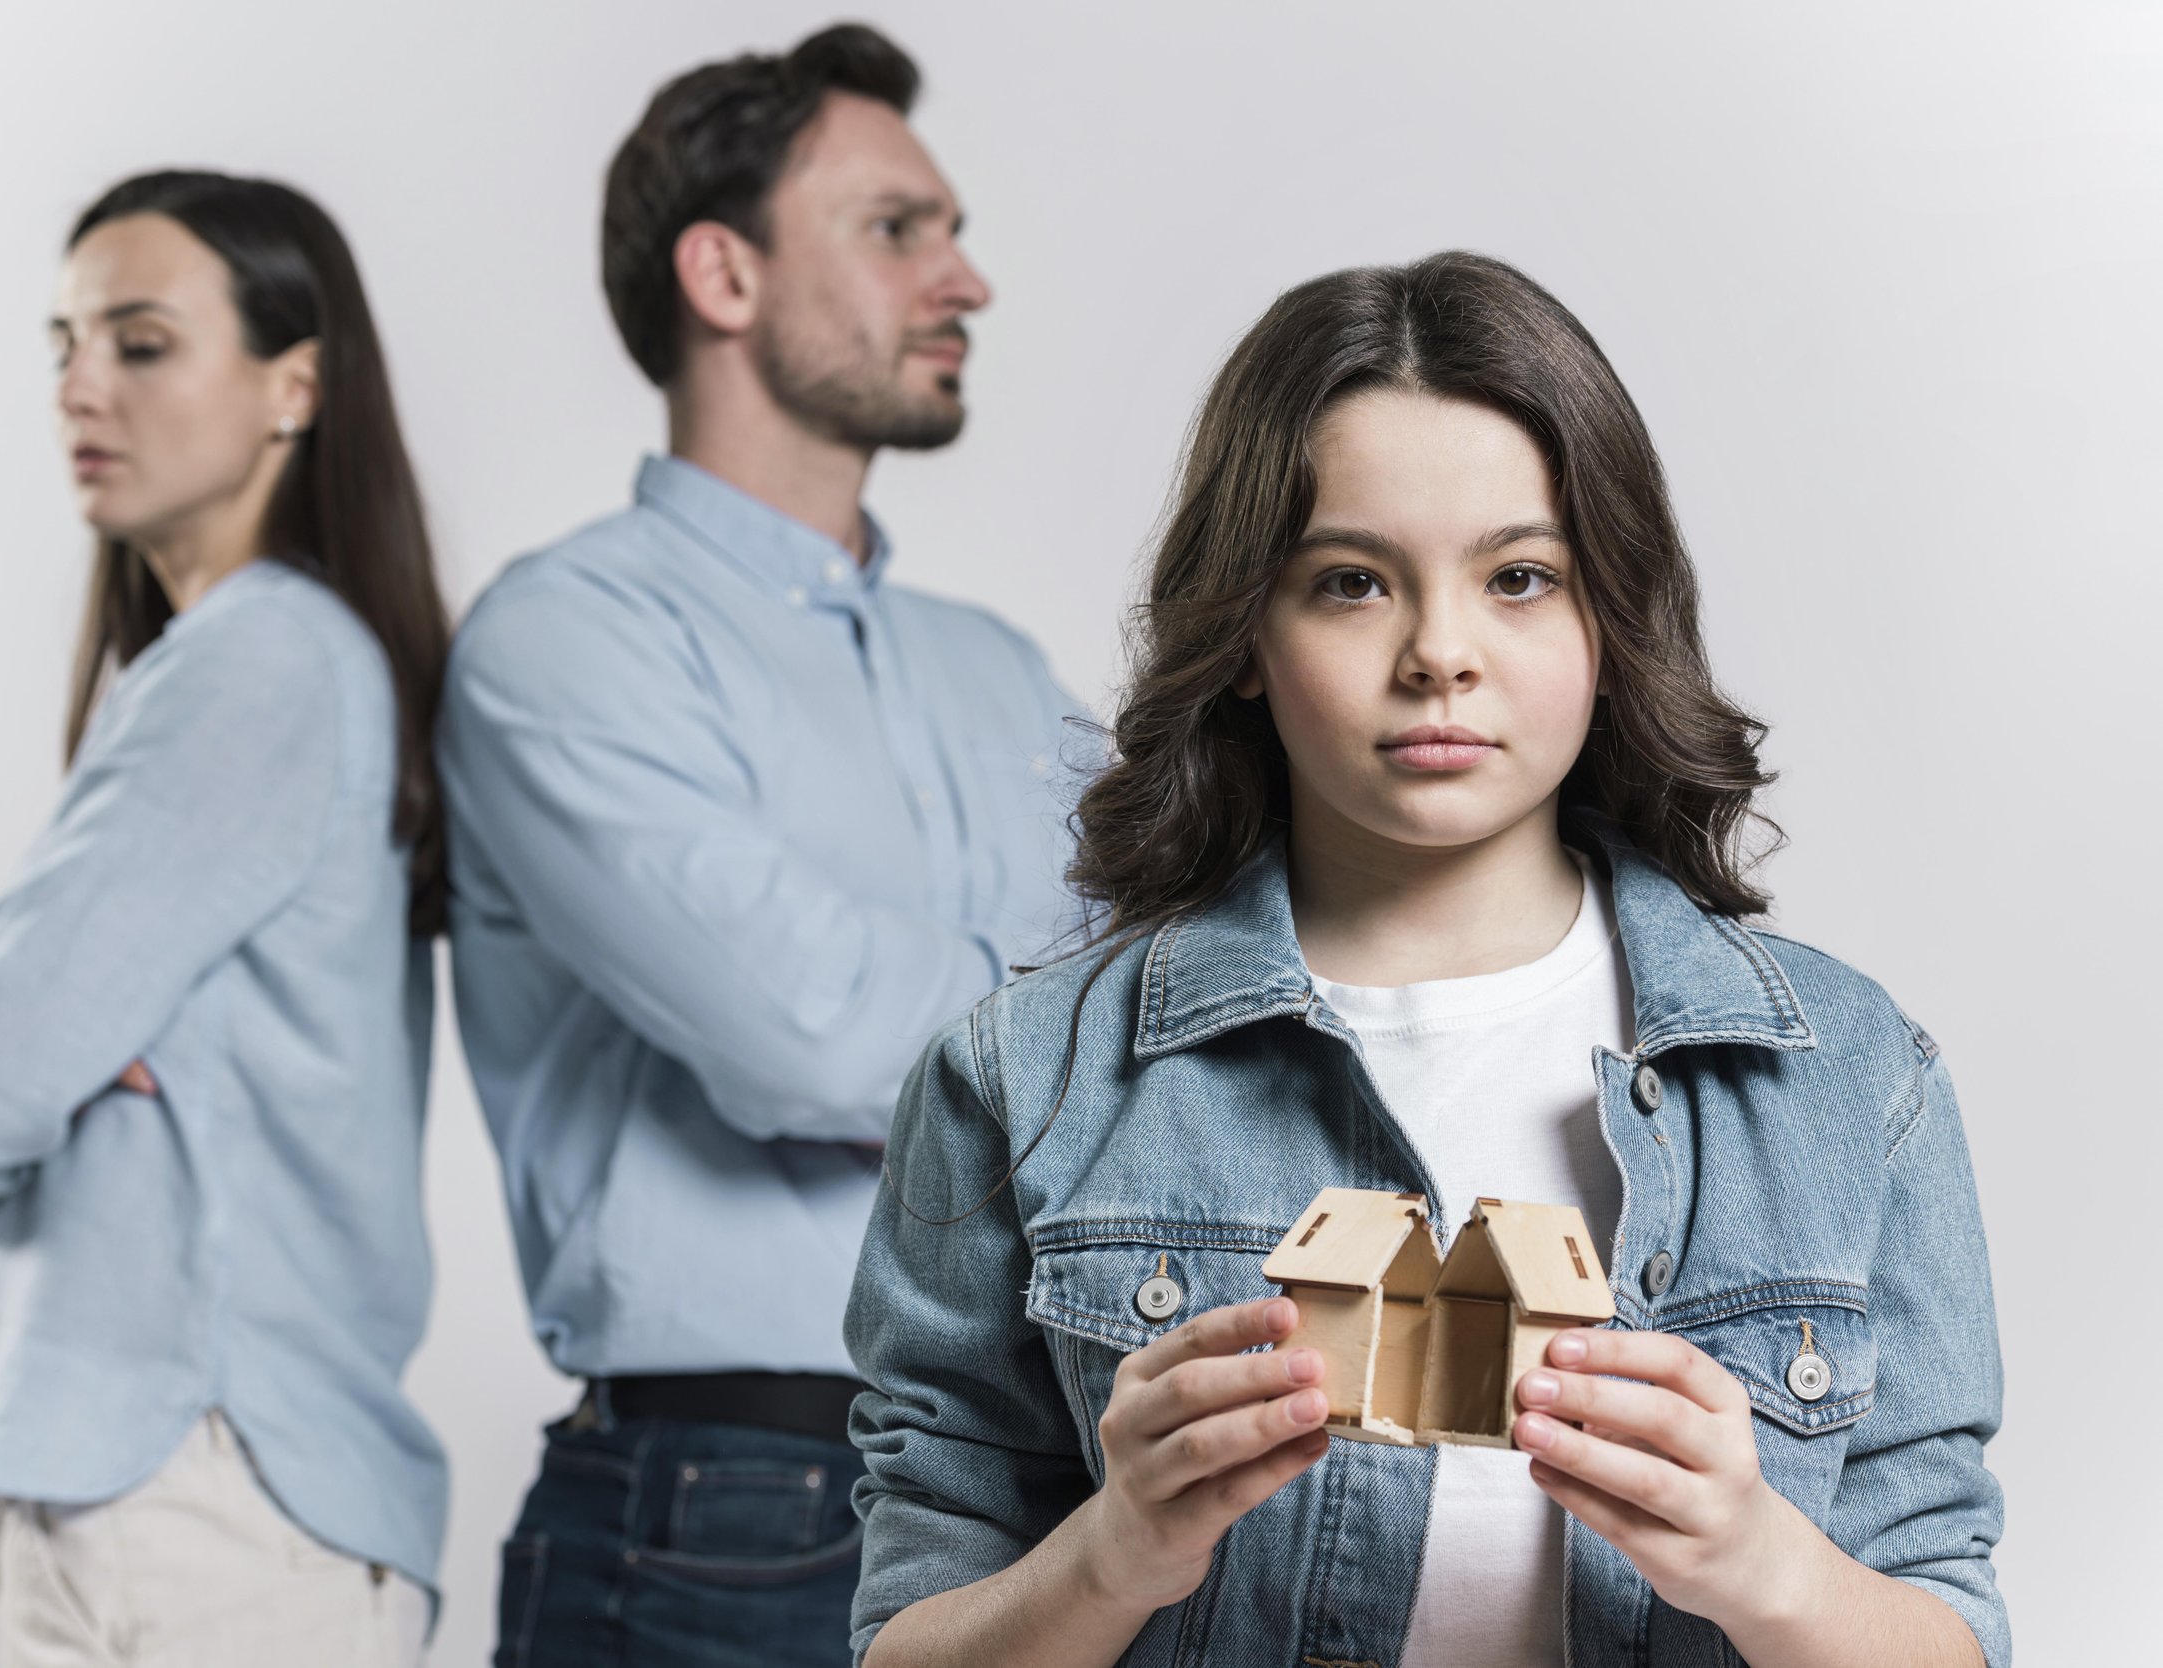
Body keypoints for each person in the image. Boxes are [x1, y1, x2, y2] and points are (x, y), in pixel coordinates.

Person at [845, 252, 2007, 1668]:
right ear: (1249, 637)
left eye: (1520, 578)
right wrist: (1115, 1553)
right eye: (1351, 583)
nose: (1440, 653)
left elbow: (1951, 1623)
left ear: (1608, 620)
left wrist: (1761, 1562)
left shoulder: (1849, 1082)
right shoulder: (1023, 1080)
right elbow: (904, 1637)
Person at [438, 23, 1082, 1667]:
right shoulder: (562, 642)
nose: (968, 281)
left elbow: (1186, 994)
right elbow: (812, 1040)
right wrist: (1070, 1019)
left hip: (1047, 1506)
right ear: (721, 274)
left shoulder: (998, 669)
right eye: (898, 230)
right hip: (724, 1510)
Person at [0, 169, 451, 1668]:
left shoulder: (259, 663)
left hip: (202, 1494)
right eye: (60, 344)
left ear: (291, 384)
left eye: (138, 341)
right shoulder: (236, 663)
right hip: (176, 1493)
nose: (79, 387)